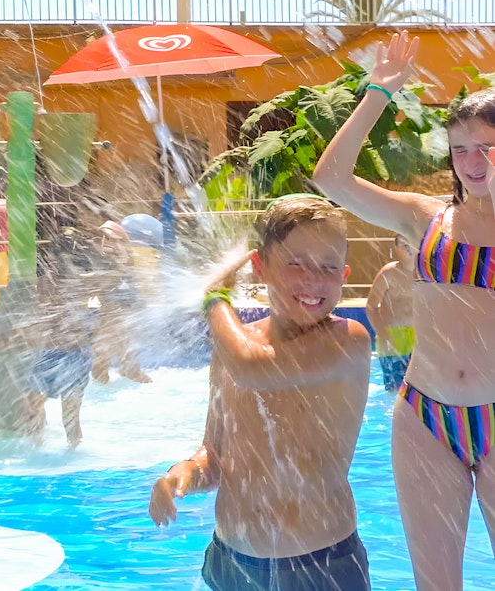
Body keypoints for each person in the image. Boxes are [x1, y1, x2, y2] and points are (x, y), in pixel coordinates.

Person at [313, 31, 495, 591]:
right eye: (460, 148)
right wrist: (377, 94)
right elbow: (330, 179)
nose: (472, 161)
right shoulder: (425, 218)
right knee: (435, 584)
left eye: (487, 145)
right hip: (425, 418)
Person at [148, 196, 373, 591]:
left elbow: (256, 367)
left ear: (344, 275)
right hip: (231, 563)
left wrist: (215, 299)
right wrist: (183, 472)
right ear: (259, 267)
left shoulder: (347, 342)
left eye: (329, 266)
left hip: (318, 566)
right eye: (295, 263)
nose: (313, 279)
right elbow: (216, 454)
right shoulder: (234, 349)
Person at [23, 229, 100, 449]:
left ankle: (72, 454)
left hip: (75, 353)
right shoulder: (44, 282)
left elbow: (107, 281)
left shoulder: (84, 282)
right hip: (47, 352)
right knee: (37, 405)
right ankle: (36, 451)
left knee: (69, 413)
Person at [91, 220, 153, 385]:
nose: (105, 242)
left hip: (124, 302)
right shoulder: (109, 256)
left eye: (109, 239)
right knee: (107, 342)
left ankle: (126, 369)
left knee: (120, 338)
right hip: (116, 303)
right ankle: (113, 371)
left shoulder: (122, 254)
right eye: (104, 239)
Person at [365, 235, 416, 391]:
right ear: (395, 249)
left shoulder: (425, 275)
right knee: (395, 390)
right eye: (402, 243)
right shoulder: (389, 274)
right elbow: (371, 306)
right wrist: (382, 332)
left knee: (418, 390)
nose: (407, 246)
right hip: (393, 337)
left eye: (410, 242)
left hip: (418, 337)